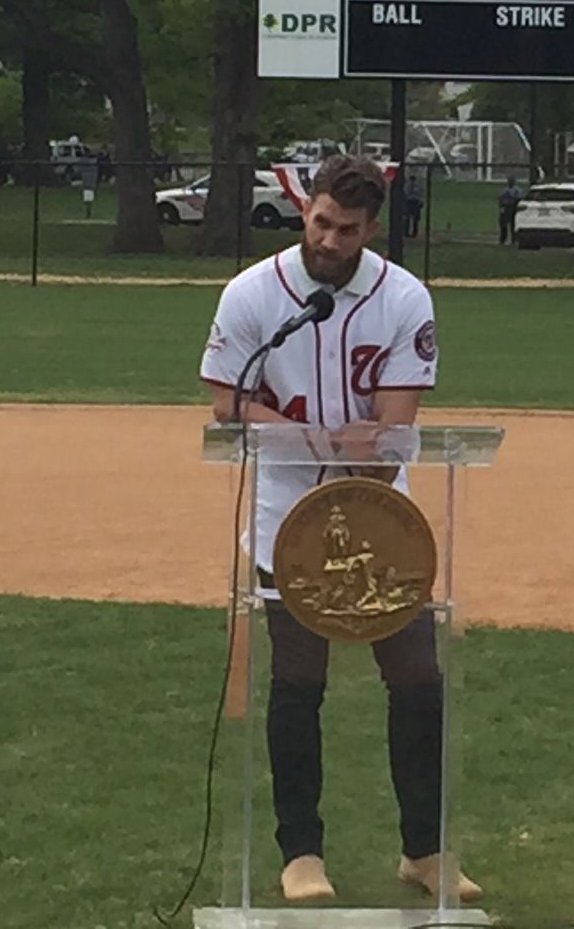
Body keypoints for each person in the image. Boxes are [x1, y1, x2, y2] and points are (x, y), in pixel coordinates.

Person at [199, 155, 480, 906]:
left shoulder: (403, 297)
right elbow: (225, 400)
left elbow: (394, 428)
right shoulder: (254, 292)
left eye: (346, 229)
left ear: (372, 229)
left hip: (381, 516)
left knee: (417, 678)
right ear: (306, 210)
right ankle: (301, 854)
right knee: (298, 683)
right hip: (285, 516)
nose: (328, 240)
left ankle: (425, 850)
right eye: (321, 222)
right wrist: (316, 438)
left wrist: (356, 452)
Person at [497, 176, 523, 244]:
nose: (510, 182)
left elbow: (519, 199)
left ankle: (514, 239)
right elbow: (500, 198)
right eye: (509, 181)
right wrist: (501, 206)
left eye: (511, 181)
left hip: (513, 207)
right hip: (505, 207)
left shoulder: (517, 190)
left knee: (513, 224)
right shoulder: (505, 189)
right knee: (503, 224)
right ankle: (502, 239)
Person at [403, 170, 423, 238]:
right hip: (411, 201)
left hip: (412, 201)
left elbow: (406, 193)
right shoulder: (413, 185)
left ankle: (411, 233)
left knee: (413, 218)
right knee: (409, 218)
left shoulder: (409, 185)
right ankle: (408, 232)